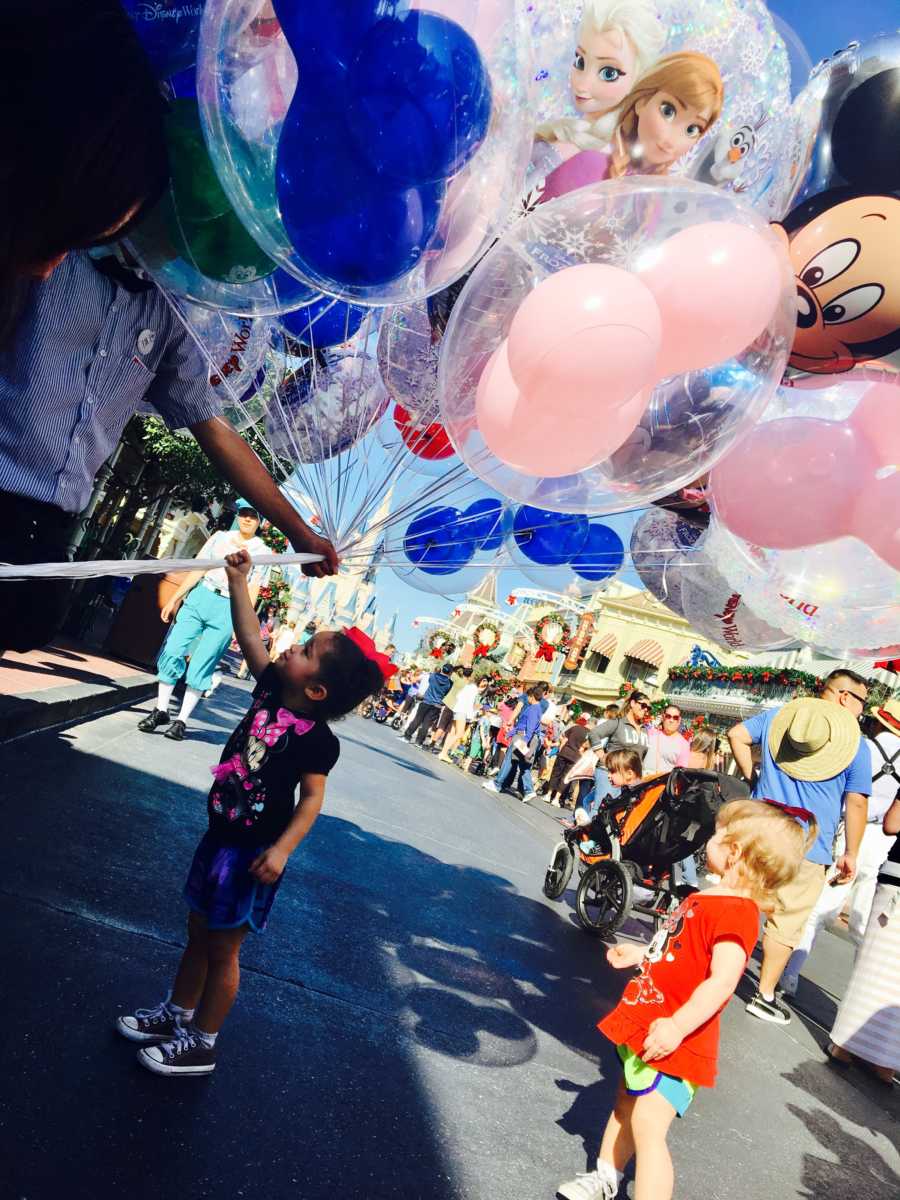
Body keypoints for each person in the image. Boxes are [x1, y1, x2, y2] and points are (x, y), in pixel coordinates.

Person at [0, 6, 337, 654]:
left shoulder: (167, 311)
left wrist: (297, 531)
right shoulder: (50, 245)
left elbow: (217, 431)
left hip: (52, 524)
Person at [116, 547, 389, 1076]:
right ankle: (178, 1012)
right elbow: (249, 639)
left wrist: (282, 850)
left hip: (250, 853)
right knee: (199, 929)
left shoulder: (317, 742)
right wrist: (239, 581)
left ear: (316, 688)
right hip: (219, 834)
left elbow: (312, 800)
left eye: (305, 649)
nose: (290, 647)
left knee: (223, 947)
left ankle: (203, 1041)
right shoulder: (269, 689)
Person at [557, 799, 816, 1200]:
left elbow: (722, 981)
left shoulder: (738, 913)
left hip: (678, 1041)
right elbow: (679, 950)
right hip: (652, 1025)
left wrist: (678, 1027)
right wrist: (642, 954)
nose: (707, 840)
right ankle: (605, 1177)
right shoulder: (705, 899)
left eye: (717, 835)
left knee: (648, 1126)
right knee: (625, 1105)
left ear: (735, 854)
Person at [728, 670, 872, 1025]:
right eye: (861, 702)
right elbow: (856, 803)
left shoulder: (781, 716)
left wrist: (754, 779)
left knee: (736, 900)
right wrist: (851, 852)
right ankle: (762, 995)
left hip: (757, 827)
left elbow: (736, 735)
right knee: (786, 923)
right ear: (842, 696)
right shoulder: (855, 744)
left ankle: (708, 964)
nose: (862, 710)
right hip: (808, 843)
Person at [781, 700, 900, 996]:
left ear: (878, 723)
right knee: (865, 928)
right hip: (885, 844)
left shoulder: (862, 748)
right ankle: (857, 997)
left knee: (819, 910)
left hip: (853, 834)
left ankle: (790, 975)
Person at [137, 501, 271, 741]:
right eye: (243, 514)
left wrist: (241, 625)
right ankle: (160, 710)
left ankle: (181, 721)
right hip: (202, 595)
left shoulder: (262, 551)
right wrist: (175, 598)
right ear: (238, 515)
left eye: (253, 515)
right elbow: (199, 569)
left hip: (228, 607)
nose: (247, 519)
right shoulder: (220, 538)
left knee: (204, 662)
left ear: (260, 521)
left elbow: (252, 590)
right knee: (173, 649)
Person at [538, 51, 724, 204]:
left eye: (692, 129)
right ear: (642, 101)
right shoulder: (589, 163)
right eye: (668, 111)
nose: (672, 139)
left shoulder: (652, 201)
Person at [827, 793, 900, 1085]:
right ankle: (885, 1063)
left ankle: (844, 1046)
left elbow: (892, 824)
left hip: (897, 880)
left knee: (874, 964)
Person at [534, 0, 665, 159]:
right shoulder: (568, 135)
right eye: (580, 62)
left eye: (609, 73)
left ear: (638, 78)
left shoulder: (613, 156)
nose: (582, 84)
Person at [482, 684, 549, 803]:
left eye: (528, 696)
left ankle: (497, 784)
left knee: (509, 760)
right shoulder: (537, 708)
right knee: (524, 765)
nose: (527, 698)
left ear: (532, 696)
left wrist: (524, 741)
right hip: (522, 735)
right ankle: (529, 790)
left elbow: (530, 727)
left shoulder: (533, 708)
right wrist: (512, 733)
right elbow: (524, 724)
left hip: (522, 737)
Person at [586, 690, 651, 810]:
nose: (646, 709)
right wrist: (602, 756)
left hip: (628, 780)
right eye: (643, 705)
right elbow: (593, 734)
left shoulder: (645, 730)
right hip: (609, 772)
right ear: (632, 703)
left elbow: (641, 756)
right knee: (601, 810)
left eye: (649, 708)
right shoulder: (618, 723)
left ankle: (584, 809)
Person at [439, 674, 487, 764]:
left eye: (485, 685)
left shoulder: (469, 687)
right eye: (483, 684)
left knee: (452, 733)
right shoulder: (473, 690)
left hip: (457, 709)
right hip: (462, 712)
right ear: (479, 682)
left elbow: (459, 696)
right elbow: (469, 704)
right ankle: (443, 752)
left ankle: (443, 752)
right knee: (459, 734)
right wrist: (471, 716)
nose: (484, 687)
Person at [402, 664, 453, 746]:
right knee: (427, 723)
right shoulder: (449, 683)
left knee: (417, 719)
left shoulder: (433, 676)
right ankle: (419, 741)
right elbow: (447, 692)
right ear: (450, 672)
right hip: (437, 705)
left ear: (442, 669)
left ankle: (407, 736)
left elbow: (429, 681)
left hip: (426, 701)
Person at [547, 718, 590, 807]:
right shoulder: (589, 735)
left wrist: (560, 750)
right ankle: (556, 799)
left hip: (565, 752)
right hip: (575, 758)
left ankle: (548, 795)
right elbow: (585, 748)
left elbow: (564, 739)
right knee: (566, 778)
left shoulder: (575, 728)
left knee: (556, 773)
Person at [645, 705, 690, 775]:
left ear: (679, 720)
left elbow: (680, 774)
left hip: (663, 784)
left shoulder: (684, 745)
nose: (671, 720)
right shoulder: (650, 733)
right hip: (642, 783)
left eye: (675, 717)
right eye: (668, 716)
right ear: (663, 717)